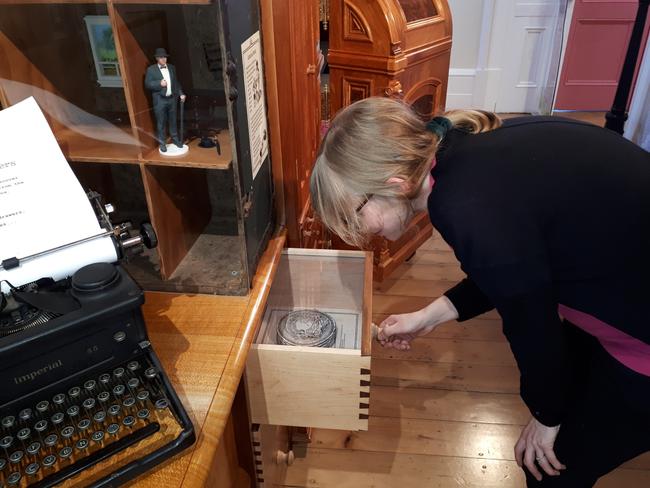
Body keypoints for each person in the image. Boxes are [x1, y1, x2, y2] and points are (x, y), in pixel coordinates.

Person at [310, 96, 650, 487]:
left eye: (357, 212)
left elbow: (532, 325)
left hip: (639, 325)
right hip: (621, 285)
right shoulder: (460, 148)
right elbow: (515, 269)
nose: (363, 231)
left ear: (395, 184)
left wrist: (546, 416)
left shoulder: (465, 206)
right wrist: (428, 317)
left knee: (549, 467)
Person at [145, 48, 186, 152]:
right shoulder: (151, 70)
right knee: (161, 122)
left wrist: (181, 93)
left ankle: (175, 139)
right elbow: (148, 84)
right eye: (161, 57)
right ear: (157, 58)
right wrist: (159, 83)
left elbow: (176, 82)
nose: (163, 59)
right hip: (160, 101)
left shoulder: (172, 68)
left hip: (172, 99)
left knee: (173, 120)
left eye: (165, 57)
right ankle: (162, 143)